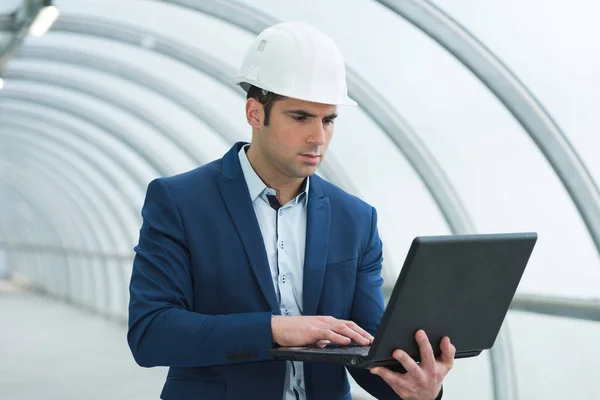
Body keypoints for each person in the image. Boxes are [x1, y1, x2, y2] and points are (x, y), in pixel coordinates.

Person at [127, 21, 455, 400]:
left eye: (328, 120)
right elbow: (151, 333)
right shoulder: (180, 201)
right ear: (254, 113)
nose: (318, 137)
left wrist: (418, 387)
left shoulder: (357, 219)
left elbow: (367, 351)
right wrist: (275, 329)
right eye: (300, 117)